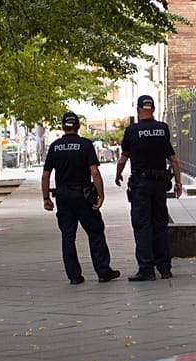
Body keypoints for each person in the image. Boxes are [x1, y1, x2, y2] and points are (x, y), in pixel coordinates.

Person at [41, 111, 120, 285]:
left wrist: (46, 197)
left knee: (68, 235)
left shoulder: (55, 146)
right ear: (77, 126)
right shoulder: (85, 145)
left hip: (62, 195)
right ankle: (103, 271)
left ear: (63, 126)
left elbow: (46, 174)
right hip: (82, 195)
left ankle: (74, 276)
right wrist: (100, 194)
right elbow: (94, 172)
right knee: (95, 232)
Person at [114, 95, 183, 281]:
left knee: (142, 225)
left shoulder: (132, 131)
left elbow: (123, 158)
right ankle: (165, 268)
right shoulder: (162, 129)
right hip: (160, 184)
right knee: (160, 224)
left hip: (141, 185)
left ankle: (146, 268)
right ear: (152, 109)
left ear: (138, 110)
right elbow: (173, 159)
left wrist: (118, 174)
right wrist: (178, 183)